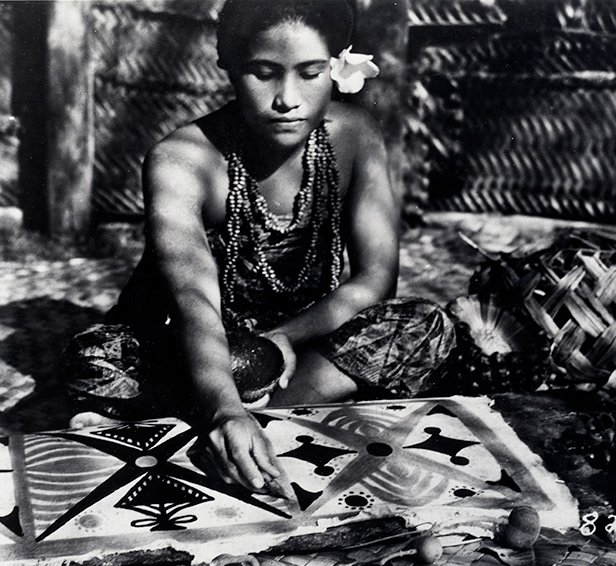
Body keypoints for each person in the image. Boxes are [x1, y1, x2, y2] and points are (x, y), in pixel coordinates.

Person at [62, 0, 455, 496]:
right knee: (96, 358)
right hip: (193, 346)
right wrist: (225, 407)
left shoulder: (356, 135)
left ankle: (203, 422)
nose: (286, 99)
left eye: (310, 73)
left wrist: (284, 337)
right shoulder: (180, 160)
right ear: (228, 64)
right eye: (263, 74)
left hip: (299, 347)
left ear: (338, 66)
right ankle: (240, 418)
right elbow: (193, 301)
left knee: (424, 325)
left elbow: (376, 279)